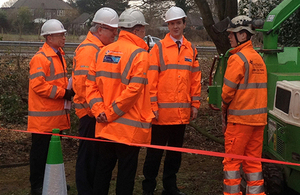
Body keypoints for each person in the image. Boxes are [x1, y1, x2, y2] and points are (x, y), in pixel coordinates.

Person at [85, 8, 153, 195]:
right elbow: (133, 92)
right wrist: (110, 113)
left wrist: (100, 112)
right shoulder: (140, 55)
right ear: (137, 30)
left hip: (104, 127)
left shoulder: (101, 52)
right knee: (125, 176)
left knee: (102, 172)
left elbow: (90, 87)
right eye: (143, 29)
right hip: (128, 131)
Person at [142, 6, 201, 195]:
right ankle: (148, 187)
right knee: (154, 154)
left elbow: (195, 80)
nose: (175, 27)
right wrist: (152, 106)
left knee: (175, 154)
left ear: (184, 24)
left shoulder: (191, 49)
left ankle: (170, 187)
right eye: (172, 23)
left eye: (178, 23)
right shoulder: (158, 49)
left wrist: (195, 104)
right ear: (168, 25)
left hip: (181, 114)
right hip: (161, 114)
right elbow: (151, 80)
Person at [72, 7, 118, 195]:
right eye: (112, 30)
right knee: (88, 160)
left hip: (96, 113)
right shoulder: (89, 50)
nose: (115, 34)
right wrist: (95, 111)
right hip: (91, 115)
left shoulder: (98, 48)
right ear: (100, 29)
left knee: (96, 160)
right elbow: (83, 86)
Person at [221, 15, 267, 195]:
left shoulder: (237, 59)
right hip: (258, 122)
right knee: (253, 163)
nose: (229, 37)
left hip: (239, 122)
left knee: (232, 163)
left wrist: (224, 107)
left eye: (232, 34)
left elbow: (227, 93)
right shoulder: (258, 59)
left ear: (242, 35)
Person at [28, 19, 74, 195]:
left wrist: (67, 91)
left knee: (52, 153)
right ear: (49, 38)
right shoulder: (41, 59)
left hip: (54, 117)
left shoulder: (58, 55)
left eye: (63, 34)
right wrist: (63, 93)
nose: (64, 37)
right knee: (40, 154)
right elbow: (38, 86)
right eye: (60, 34)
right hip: (43, 118)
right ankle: (37, 186)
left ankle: (51, 181)